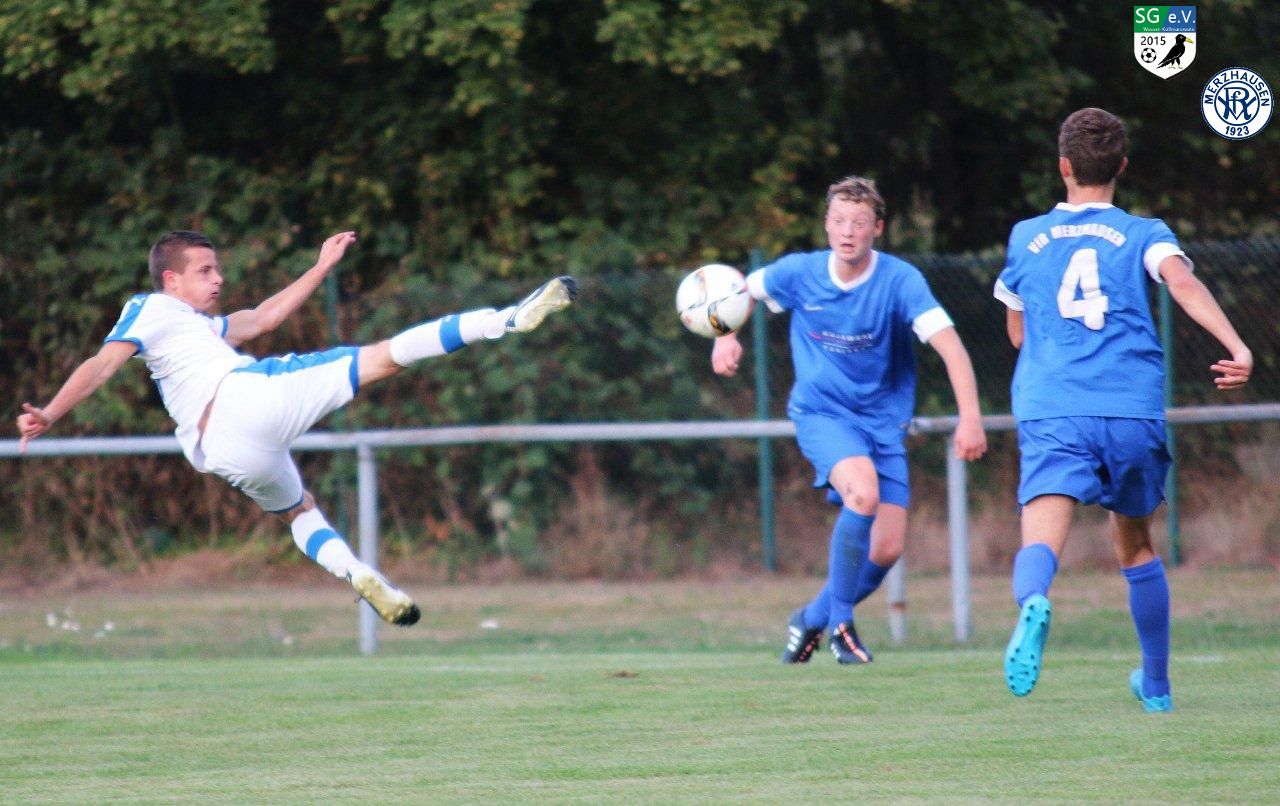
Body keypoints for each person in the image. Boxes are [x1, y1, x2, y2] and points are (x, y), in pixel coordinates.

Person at [17, 230, 577, 626]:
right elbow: (103, 363)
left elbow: (263, 318)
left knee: (298, 510)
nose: (219, 277)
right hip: (241, 398)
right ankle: (503, 320)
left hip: (224, 452)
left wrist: (320, 267)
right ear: (171, 279)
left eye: (217, 268)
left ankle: (358, 573)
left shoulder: (198, 327)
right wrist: (52, 411)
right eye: (205, 270)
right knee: (382, 358)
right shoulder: (150, 309)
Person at [994, 107, 1252, 711]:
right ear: (1122, 167)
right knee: (1135, 546)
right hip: (1129, 408)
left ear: (1063, 167)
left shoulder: (1025, 237)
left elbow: (1017, 335)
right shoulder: (1144, 233)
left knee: (1041, 536)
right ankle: (1157, 687)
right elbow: (1182, 283)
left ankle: (1034, 599)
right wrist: (1237, 345)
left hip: (1054, 406)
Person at [713, 176, 988, 664]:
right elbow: (741, 289)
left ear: (877, 228)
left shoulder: (900, 282)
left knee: (886, 549)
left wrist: (970, 418)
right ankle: (841, 622)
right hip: (822, 413)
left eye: (859, 223)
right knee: (862, 493)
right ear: (826, 224)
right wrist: (724, 334)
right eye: (839, 220)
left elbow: (951, 348)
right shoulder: (800, 272)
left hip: (882, 423)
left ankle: (810, 619)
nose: (847, 231)